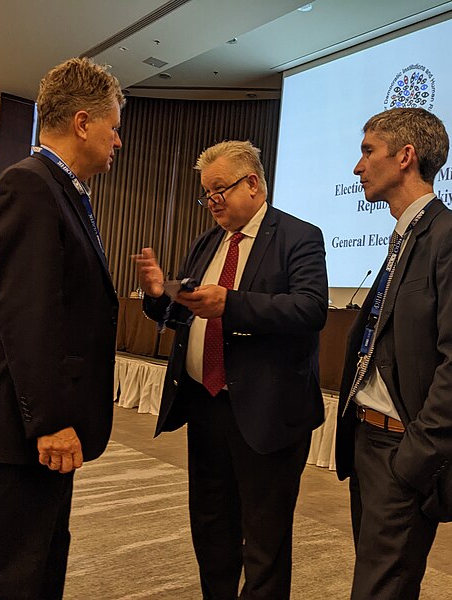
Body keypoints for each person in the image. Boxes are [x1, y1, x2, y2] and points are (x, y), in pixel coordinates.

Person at [0, 57, 124, 599]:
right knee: (1, 580)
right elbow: (29, 317)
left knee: (38, 566)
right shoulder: (30, 187)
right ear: (83, 123)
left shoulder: (60, 190)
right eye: (114, 128)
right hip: (17, 429)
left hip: (26, 426)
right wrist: (49, 421)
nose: (118, 142)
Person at [134, 140, 328, 599]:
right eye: (207, 194)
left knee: (265, 539)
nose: (212, 202)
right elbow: (183, 312)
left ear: (253, 184)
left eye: (219, 189)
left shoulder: (299, 237)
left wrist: (233, 304)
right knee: (211, 527)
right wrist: (162, 295)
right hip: (206, 407)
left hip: (268, 414)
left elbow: (310, 309)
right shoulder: (207, 243)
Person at [335, 108, 452, 599]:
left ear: (405, 156)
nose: (358, 166)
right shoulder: (404, 237)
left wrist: (416, 458)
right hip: (369, 442)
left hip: (402, 452)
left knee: (380, 590)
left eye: (368, 151)